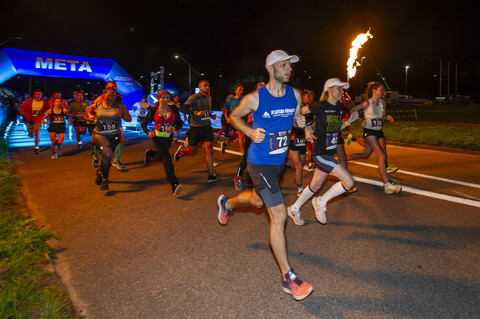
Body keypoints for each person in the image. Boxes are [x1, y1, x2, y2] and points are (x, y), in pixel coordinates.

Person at [217, 50, 313, 301]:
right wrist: (249, 131)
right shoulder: (254, 98)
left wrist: (300, 123)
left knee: (259, 202)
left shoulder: (295, 95)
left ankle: (227, 203)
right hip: (259, 163)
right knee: (279, 214)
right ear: (270, 69)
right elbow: (233, 116)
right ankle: (288, 277)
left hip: (278, 163)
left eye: (290, 66)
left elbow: (294, 120)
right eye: (284, 65)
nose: (289, 69)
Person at [286, 78, 359, 226]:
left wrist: (348, 122)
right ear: (328, 90)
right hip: (320, 153)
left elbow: (334, 130)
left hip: (330, 152)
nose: (342, 92)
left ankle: (294, 208)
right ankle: (321, 201)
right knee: (349, 181)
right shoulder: (319, 106)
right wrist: (306, 130)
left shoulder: (339, 108)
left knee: (316, 186)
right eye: (339, 89)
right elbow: (296, 114)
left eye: (343, 89)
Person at [348, 82, 402, 194]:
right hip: (369, 132)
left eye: (383, 90)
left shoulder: (382, 103)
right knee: (381, 155)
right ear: (374, 90)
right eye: (381, 90)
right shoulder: (367, 103)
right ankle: (387, 185)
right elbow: (352, 110)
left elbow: (382, 115)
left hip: (379, 131)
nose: (383, 92)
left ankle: (343, 160)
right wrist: (359, 120)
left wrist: (388, 117)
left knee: (365, 155)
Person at [86, 87, 132, 190]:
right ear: (104, 95)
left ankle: (101, 172)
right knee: (108, 154)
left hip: (115, 135)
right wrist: (90, 117)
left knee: (107, 157)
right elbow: (87, 113)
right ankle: (105, 179)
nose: (111, 97)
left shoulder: (119, 106)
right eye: (109, 95)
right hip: (100, 135)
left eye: (113, 95)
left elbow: (129, 118)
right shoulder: (97, 105)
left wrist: (122, 115)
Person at [175, 80, 220, 183]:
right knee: (192, 151)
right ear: (200, 87)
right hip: (195, 127)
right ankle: (181, 150)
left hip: (206, 126)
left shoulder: (209, 97)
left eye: (208, 85)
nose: (207, 87)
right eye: (205, 86)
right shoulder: (194, 97)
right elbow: (184, 109)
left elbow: (206, 111)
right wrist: (195, 112)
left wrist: (211, 116)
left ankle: (211, 175)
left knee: (209, 149)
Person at [142, 91, 184, 195]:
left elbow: (180, 123)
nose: (165, 100)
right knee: (167, 158)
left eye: (167, 98)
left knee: (161, 156)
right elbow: (144, 124)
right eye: (163, 98)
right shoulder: (154, 110)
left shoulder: (173, 109)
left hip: (168, 137)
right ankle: (174, 184)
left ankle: (150, 153)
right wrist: (149, 132)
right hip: (157, 137)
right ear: (159, 99)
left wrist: (173, 128)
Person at [220, 84, 245, 154]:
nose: (241, 91)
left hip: (241, 121)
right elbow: (224, 108)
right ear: (235, 91)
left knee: (234, 136)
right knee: (241, 136)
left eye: (242, 90)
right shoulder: (231, 99)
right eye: (239, 90)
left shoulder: (244, 98)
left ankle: (225, 143)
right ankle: (244, 155)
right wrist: (226, 118)